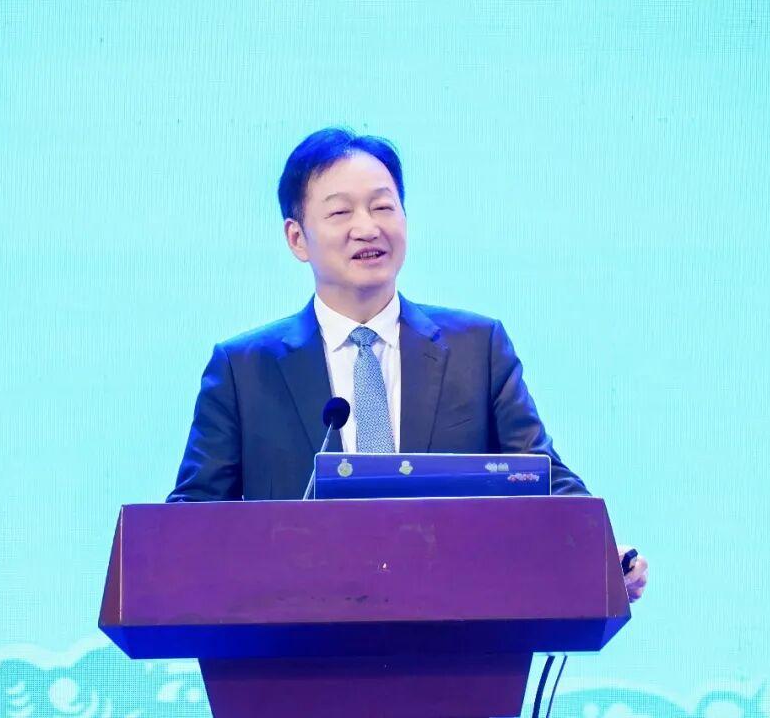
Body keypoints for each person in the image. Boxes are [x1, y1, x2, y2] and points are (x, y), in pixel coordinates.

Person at [166, 127, 648, 601]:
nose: (367, 227)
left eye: (382, 207)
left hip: (456, 629)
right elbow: (193, 519)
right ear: (297, 238)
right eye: (340, 212)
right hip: (296, 632)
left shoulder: (476, 349)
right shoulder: (244, 370)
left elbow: (541, 477)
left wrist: (602, 553)